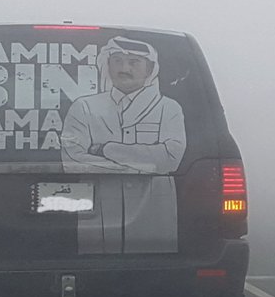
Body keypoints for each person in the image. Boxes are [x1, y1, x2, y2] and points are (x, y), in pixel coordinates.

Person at [62, 36, 187, 254]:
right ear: (107, 65)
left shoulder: (169, 108)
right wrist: (142, 163)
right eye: (117, 61)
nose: (124, 69)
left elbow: (170, 158)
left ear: (149, 69)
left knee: (152, 272)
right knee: (92, 265)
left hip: (153, 214)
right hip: (96, 214)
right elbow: (72, 160)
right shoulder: (84, 107)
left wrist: (105, 149)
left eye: (134, 62)